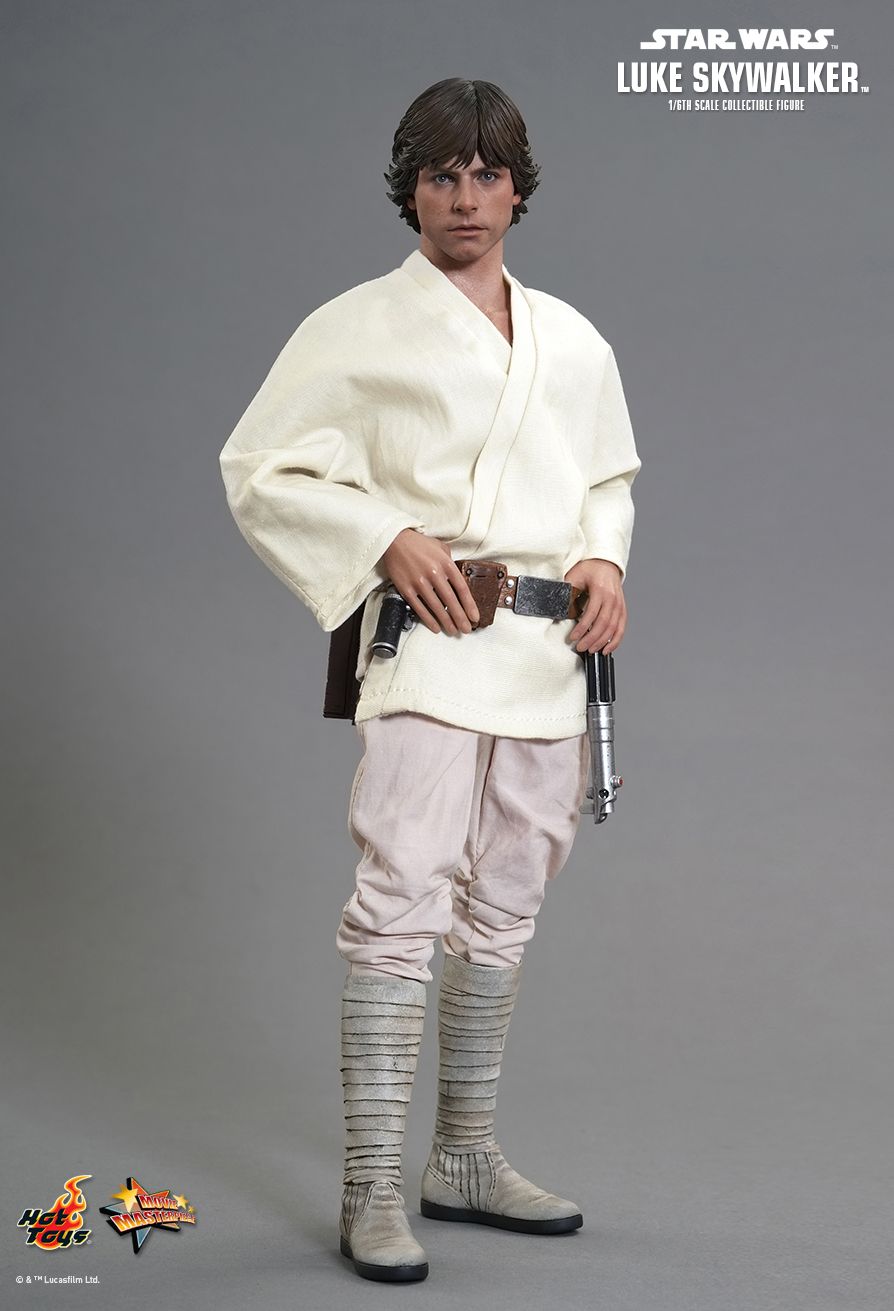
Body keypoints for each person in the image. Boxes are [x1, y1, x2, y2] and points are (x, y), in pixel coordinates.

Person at [218, 77, 642, 1284]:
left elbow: (605, 478)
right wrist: (381, 538)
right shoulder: (356, 327)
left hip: (548, 654)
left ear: (519, 189)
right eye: (443, 176)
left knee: (509, 888)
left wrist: (605, 560)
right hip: (435, 637)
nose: (466, 197)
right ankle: (369, 1183)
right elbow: (263, 467)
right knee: (404, 886)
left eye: (488, 175)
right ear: (411, 189)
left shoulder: (573, 339)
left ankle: (461, 1154)